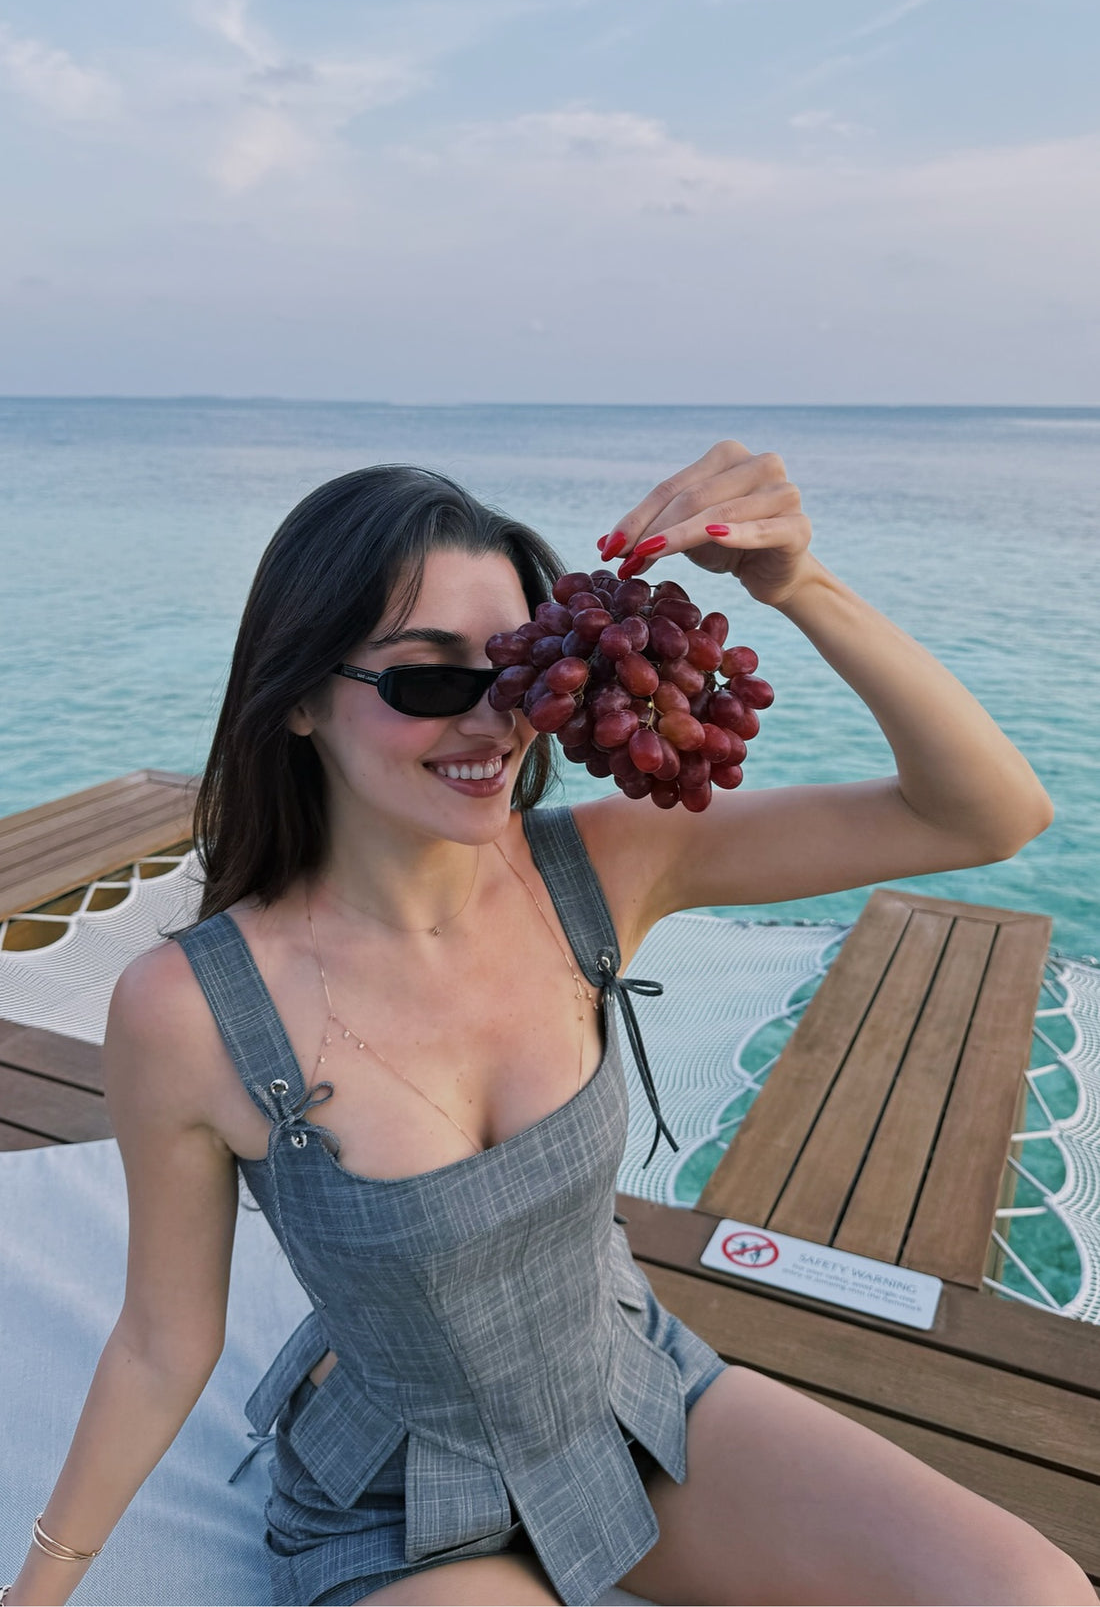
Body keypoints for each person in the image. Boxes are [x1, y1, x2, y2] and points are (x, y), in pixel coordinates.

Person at [4, 442, 1093, 1607]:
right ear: (303, 701)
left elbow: (987, 811)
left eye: (517, 672)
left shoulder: (602, 870)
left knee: (1032, 1592)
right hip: (401, 1491)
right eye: (427, 679)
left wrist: (797, 586)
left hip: (627, 1386)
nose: (490, 726)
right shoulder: (190, 1013)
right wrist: (44, 1584)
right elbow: (164, 1340)